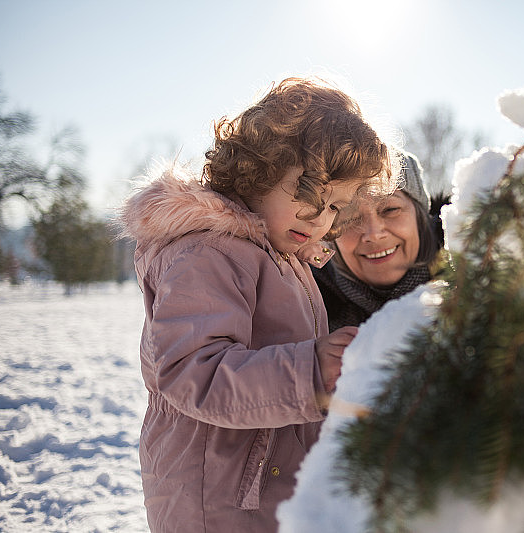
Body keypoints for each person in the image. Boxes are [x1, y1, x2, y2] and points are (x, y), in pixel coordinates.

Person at [117, 77, 393, 532]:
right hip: (214, 494)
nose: (319, 217)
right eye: (308, 194)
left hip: (267, 482)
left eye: (335, 207)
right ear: (260, 170)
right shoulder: (207, 250)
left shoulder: (282, 257)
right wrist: (310, 371)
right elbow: (193, 372)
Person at [312, 150, 445, 332]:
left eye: (390, 209)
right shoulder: (308, 320)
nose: (374, 234)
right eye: (350, 218)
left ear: (419, 214)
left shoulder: (482, 287)